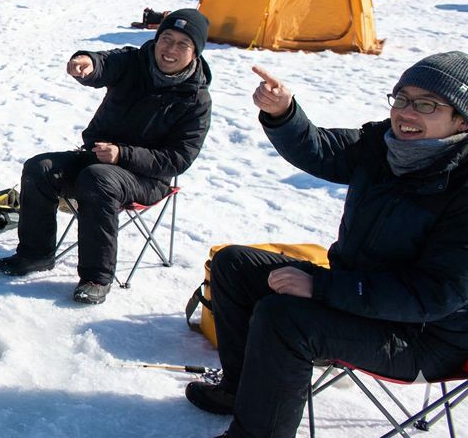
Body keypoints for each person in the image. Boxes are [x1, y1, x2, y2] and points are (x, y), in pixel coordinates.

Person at [186, 53, 468, 438]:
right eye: (401, 98)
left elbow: (435, 296)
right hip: (358, 296)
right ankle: (240, 390)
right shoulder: (383, 145)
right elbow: (322, 149)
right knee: (234, 264)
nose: (406, 113)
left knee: (284, 318)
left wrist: (321, 287)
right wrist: (284, 114)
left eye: (426, 105)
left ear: (462, 120)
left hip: (423, 337)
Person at [0, 9, 212, 305]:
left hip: (147, 179)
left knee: (98, 180)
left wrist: (123, 154)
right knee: (39, 168)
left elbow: (178, 159)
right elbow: (106, 63)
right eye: (166, 38)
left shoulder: (196, 99)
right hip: (96, 158)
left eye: (182, 44)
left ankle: (96, 277)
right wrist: (86, 62)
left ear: (195, 51)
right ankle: (35, 254)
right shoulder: (135, 61)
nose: (170, 49)